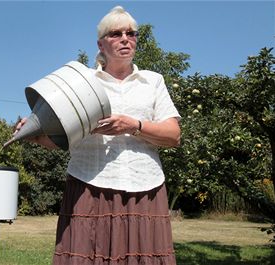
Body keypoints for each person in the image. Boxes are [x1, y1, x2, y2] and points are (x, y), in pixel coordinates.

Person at [15, 5, 180, 265]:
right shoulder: (82, 82)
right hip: (89, 186)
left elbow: (173, 135)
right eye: (116, 34)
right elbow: (64, 138)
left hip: (144, 186)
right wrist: (34, 135)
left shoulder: (153, 81)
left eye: (131, 33)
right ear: (101, 44)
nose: (125, 38)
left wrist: (134, 125)